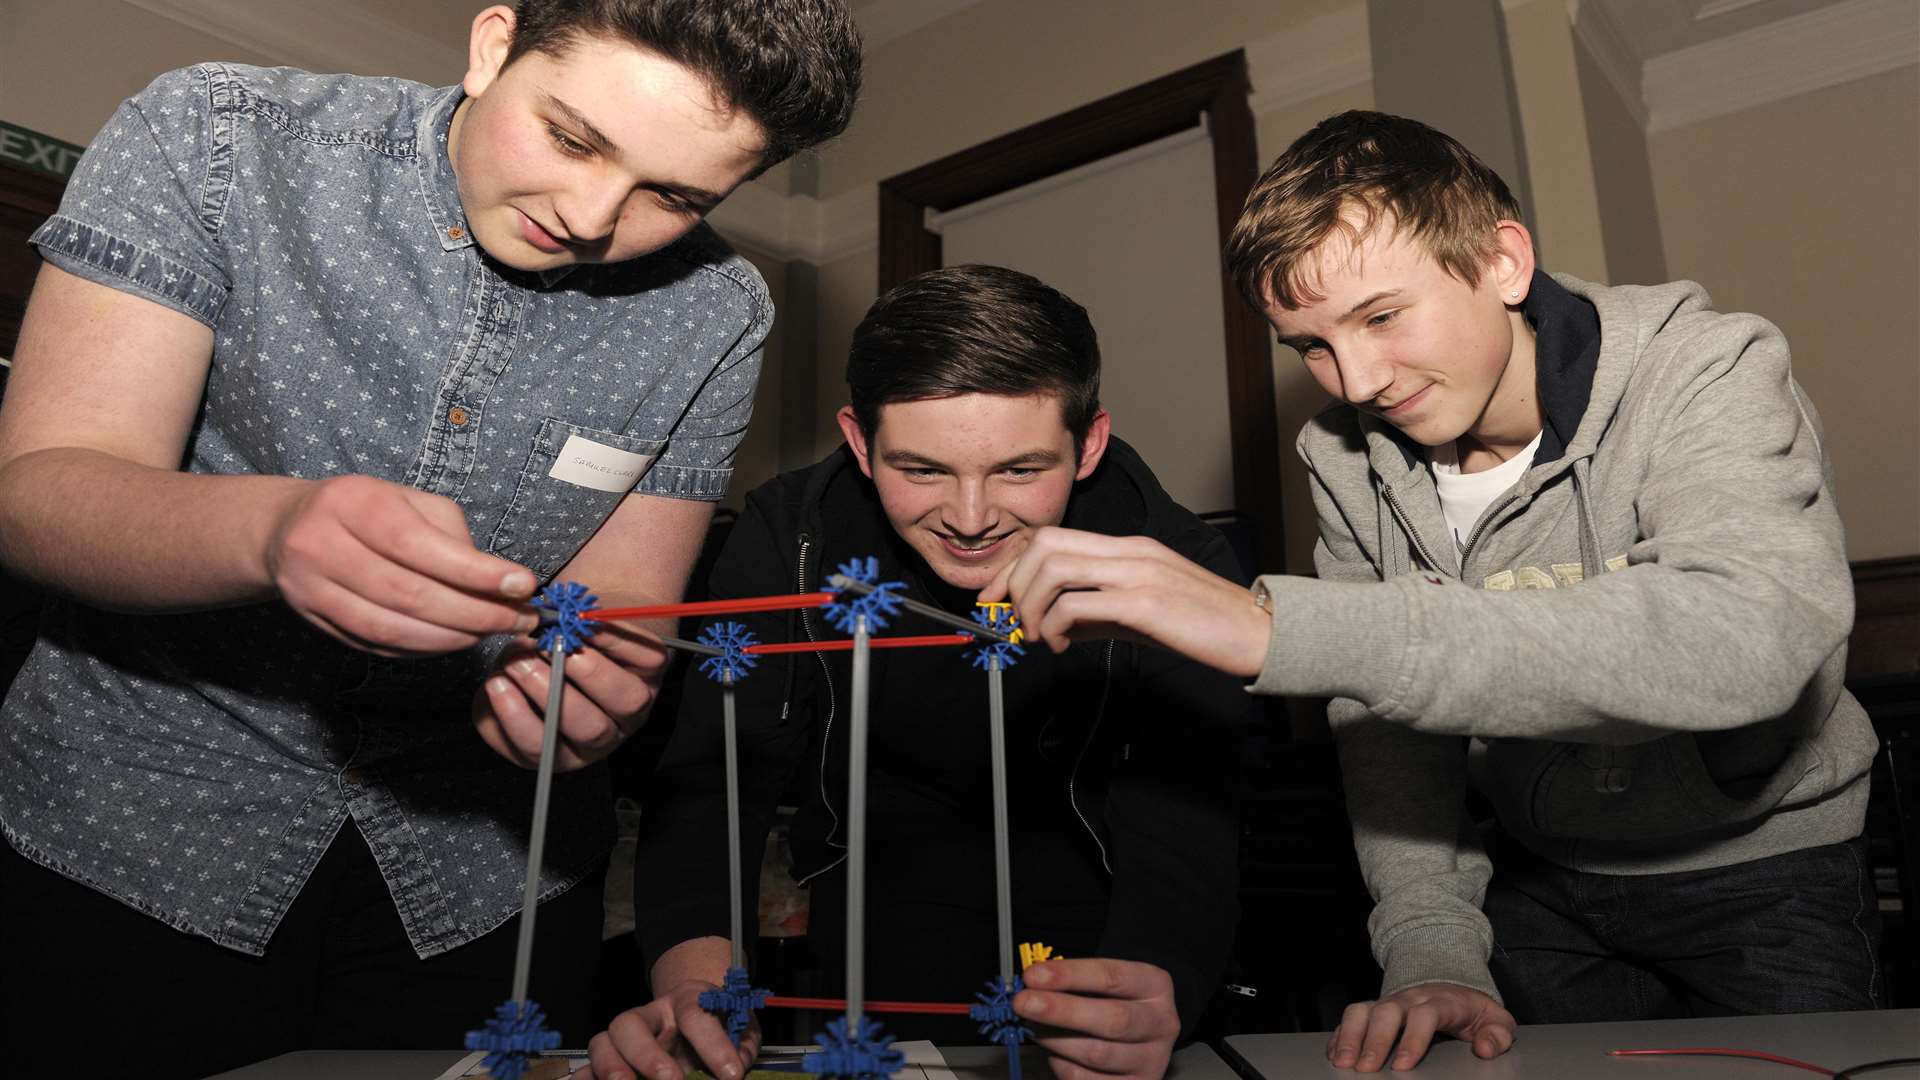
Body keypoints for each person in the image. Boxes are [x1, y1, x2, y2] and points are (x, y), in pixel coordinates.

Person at [0, 2, 860, 1074]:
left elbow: (619, 613)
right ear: (493, 44)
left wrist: (588, 699)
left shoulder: (718, 312)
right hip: (136, 834)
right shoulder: (216, 136)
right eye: (572, 136)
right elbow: (39, 495)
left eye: (674, 196)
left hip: (485, 887)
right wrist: (272, 529)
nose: (592, 213)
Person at [985, 111, 1881, 1071]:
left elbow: (1748, 636)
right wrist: (1431, 950)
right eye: (1311, 346)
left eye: (1380, 316)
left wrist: (1272, 624)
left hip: (1766, 871)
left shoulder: (1706, 369)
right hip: (1535, 882)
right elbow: (1392, 741)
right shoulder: (1344, 459)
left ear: (1502, 262)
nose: (1357, 379)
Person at [589, 266, 1247, 1080]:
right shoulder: (786, 533)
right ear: (861, 443)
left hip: (1107, 928)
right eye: (925, 470)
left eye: (1018, 470)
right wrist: (691, 987)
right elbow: (713, 784)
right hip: (870, 928)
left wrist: (1162, 983)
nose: (971, 520)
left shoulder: (1180, 560)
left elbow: (1186, 824)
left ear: (1091, 445)